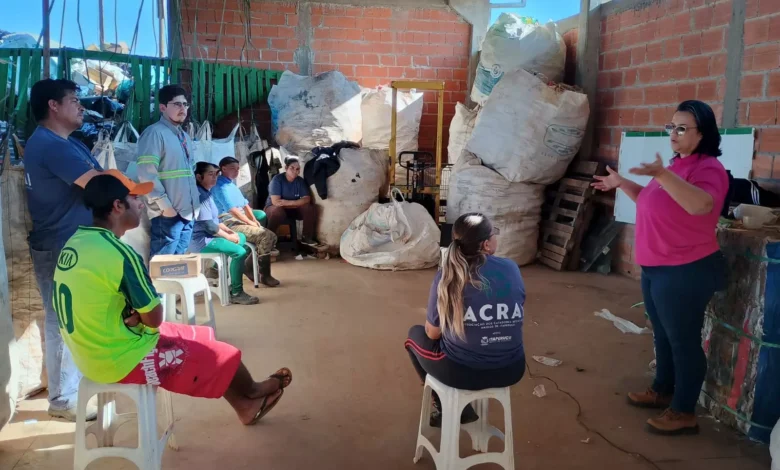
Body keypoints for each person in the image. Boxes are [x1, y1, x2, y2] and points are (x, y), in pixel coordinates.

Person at [53, 171, 292, 425]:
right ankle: (252, 393)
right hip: (120, 358)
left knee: (200, 336)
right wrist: (136, 314)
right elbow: (154, 318)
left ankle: (247, 402)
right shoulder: (120, 254)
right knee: (222, 352)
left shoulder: (75, 243)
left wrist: (131, 313)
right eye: (135, 199)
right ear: (117, 206)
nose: (142, 204)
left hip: (89, 356)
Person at [592, 100, 728, 436]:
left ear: (703, 133)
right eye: (671, 127)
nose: (674, 134)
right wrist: (622, 183)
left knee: (683, 341)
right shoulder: (675, 166)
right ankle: (662, 389)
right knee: (664, 335)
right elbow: (652, 202)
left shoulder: (707, 169)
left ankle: (684, 411)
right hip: (656, 267)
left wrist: (663, 175)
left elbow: (701, 205)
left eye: (682, 128)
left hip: (686, 269)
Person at [24, 78, 104, 421]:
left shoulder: (66, 142)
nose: (80, 105)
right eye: (73, 99)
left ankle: (74, 387)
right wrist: (130, 191)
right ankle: (61, 399)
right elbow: (97, 184)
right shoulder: (51, 145)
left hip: (71, 242)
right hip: (61, 244)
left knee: (73, 317)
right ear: (53, 106)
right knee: (62, 320)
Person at [405, 213, 526, 427]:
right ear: (487, 244)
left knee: (414, 335)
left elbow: (433, 334)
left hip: (463, 373)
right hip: (512, 368)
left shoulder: (447, 276)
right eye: (494, 234)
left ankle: (445, 407)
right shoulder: (511, 268)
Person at [136, 84, 200, 258]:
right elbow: (146, 174)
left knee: (178, 264)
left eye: (185, 104)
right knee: (162, 266)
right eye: (177, 104)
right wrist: (165, 206)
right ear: (163, 107)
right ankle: (156, 287)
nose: (183, 109)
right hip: (167, 213)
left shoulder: (183, 136)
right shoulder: (154, 133)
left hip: (188, 211)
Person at [190, 162, 259, 305]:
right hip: (201, 241)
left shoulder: (207, 193)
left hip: (210, 235)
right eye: (210, 174)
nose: (215, 177)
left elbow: (214, 220)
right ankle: (236, 292)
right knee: (239, 251)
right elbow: (208, 225)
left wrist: (227, 229)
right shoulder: (200, 196)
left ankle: (219, 272)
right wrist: (227, 236)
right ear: (198, 176)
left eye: (216, 173)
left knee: (241, 237)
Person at [212, 157, 280, 287]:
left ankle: (246, 266)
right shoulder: (220, 186)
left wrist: (254, 220)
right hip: (228, 222)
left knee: (269, 233)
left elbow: (245, 204)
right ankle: (264, 274)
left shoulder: (231, 184)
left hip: (238, 219)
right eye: (233, 168)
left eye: (238, 168)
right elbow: (232, 211)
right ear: (223, 168)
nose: (236, 171)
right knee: (267, 236)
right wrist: (249, 222)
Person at [264, 157, 319, 246]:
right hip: (273, 209)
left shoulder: (300, 181)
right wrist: (297, 202)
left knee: (310, 208)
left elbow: (306, 199)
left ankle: (307, 237)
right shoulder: (277, 180)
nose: (295, 171)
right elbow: (276, 202)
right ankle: (268, 240)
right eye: (292, 168)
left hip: (292, 209)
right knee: (277, 211)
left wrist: (290, 203)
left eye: (297, 169)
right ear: (286, 168)